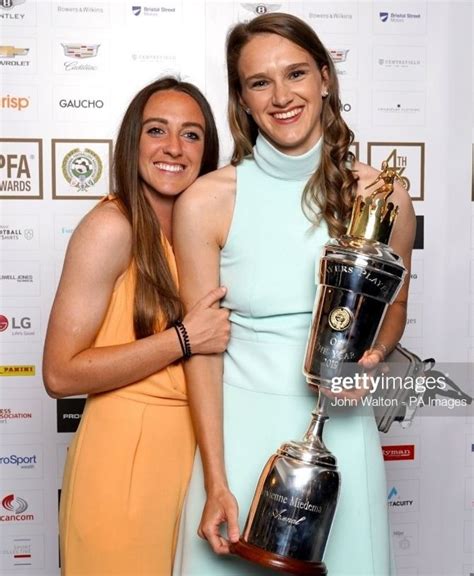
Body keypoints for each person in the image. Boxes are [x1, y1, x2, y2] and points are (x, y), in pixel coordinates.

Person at [172, 13, 415, 576]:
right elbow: (203, 350)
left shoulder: (384, 197)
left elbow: (394, 306)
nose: (281, 96)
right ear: (242, 99)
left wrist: (374, 359)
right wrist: (215, 480)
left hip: (343, 437)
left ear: (325, 78)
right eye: (260, 82)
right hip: (238, 439)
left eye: (296, 73)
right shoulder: (207, 201)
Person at [43, 76, 230, 575]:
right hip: (123, 459)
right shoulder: (112, 226)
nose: (174, 148)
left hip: (188, 461)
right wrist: (184, 340)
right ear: (133, 141)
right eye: (157, 131)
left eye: (191, 134)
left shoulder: (203, 232)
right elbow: (60, 374)